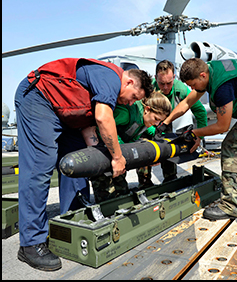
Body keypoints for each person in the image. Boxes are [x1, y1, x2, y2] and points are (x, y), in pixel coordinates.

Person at [14, 57, 153, 271]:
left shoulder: (101, 93)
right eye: (134, 97)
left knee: (80, 162)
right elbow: (103, 118)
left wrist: (100, 161)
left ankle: (74, 217)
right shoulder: (111, 77)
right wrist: (117, 157)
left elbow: (90, 133)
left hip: (67, 116)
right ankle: (31, 243)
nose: (130, 103)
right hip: (39, 100)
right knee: (39, 168)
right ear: (129, 83)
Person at [158, 58, 237, 221]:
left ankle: (231, 205)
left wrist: (195, 132)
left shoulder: (222, 87)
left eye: (193, 85)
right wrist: (165, 123)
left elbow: (222, 126)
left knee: (232, 146)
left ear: (202, 76)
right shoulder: (209, 71)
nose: (192, 89)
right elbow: (187, 102)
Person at [81, 91, 172, 202]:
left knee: (122, 190)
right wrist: (120, 147)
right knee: (105, 195)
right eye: (156, 119)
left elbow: (147, 129)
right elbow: (104, 127)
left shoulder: (143, 118)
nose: (157, 123)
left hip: (116, 154)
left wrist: (161, 137)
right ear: (147, 109)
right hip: (102, 153)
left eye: (160, 121)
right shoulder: (126, 114)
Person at [138, 60, 207, 188]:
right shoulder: (148, 89)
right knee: (144, 150)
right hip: (148, 124)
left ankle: (170, 179)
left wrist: (200, 136)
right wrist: (152, 130)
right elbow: (141, 115)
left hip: (166, 124)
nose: (165, 88)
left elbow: (200, 112)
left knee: (168, 147)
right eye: (161, 83)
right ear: (155, 78)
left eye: (169, 83)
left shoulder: (180, 89)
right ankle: (144, 183)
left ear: (174, 77)